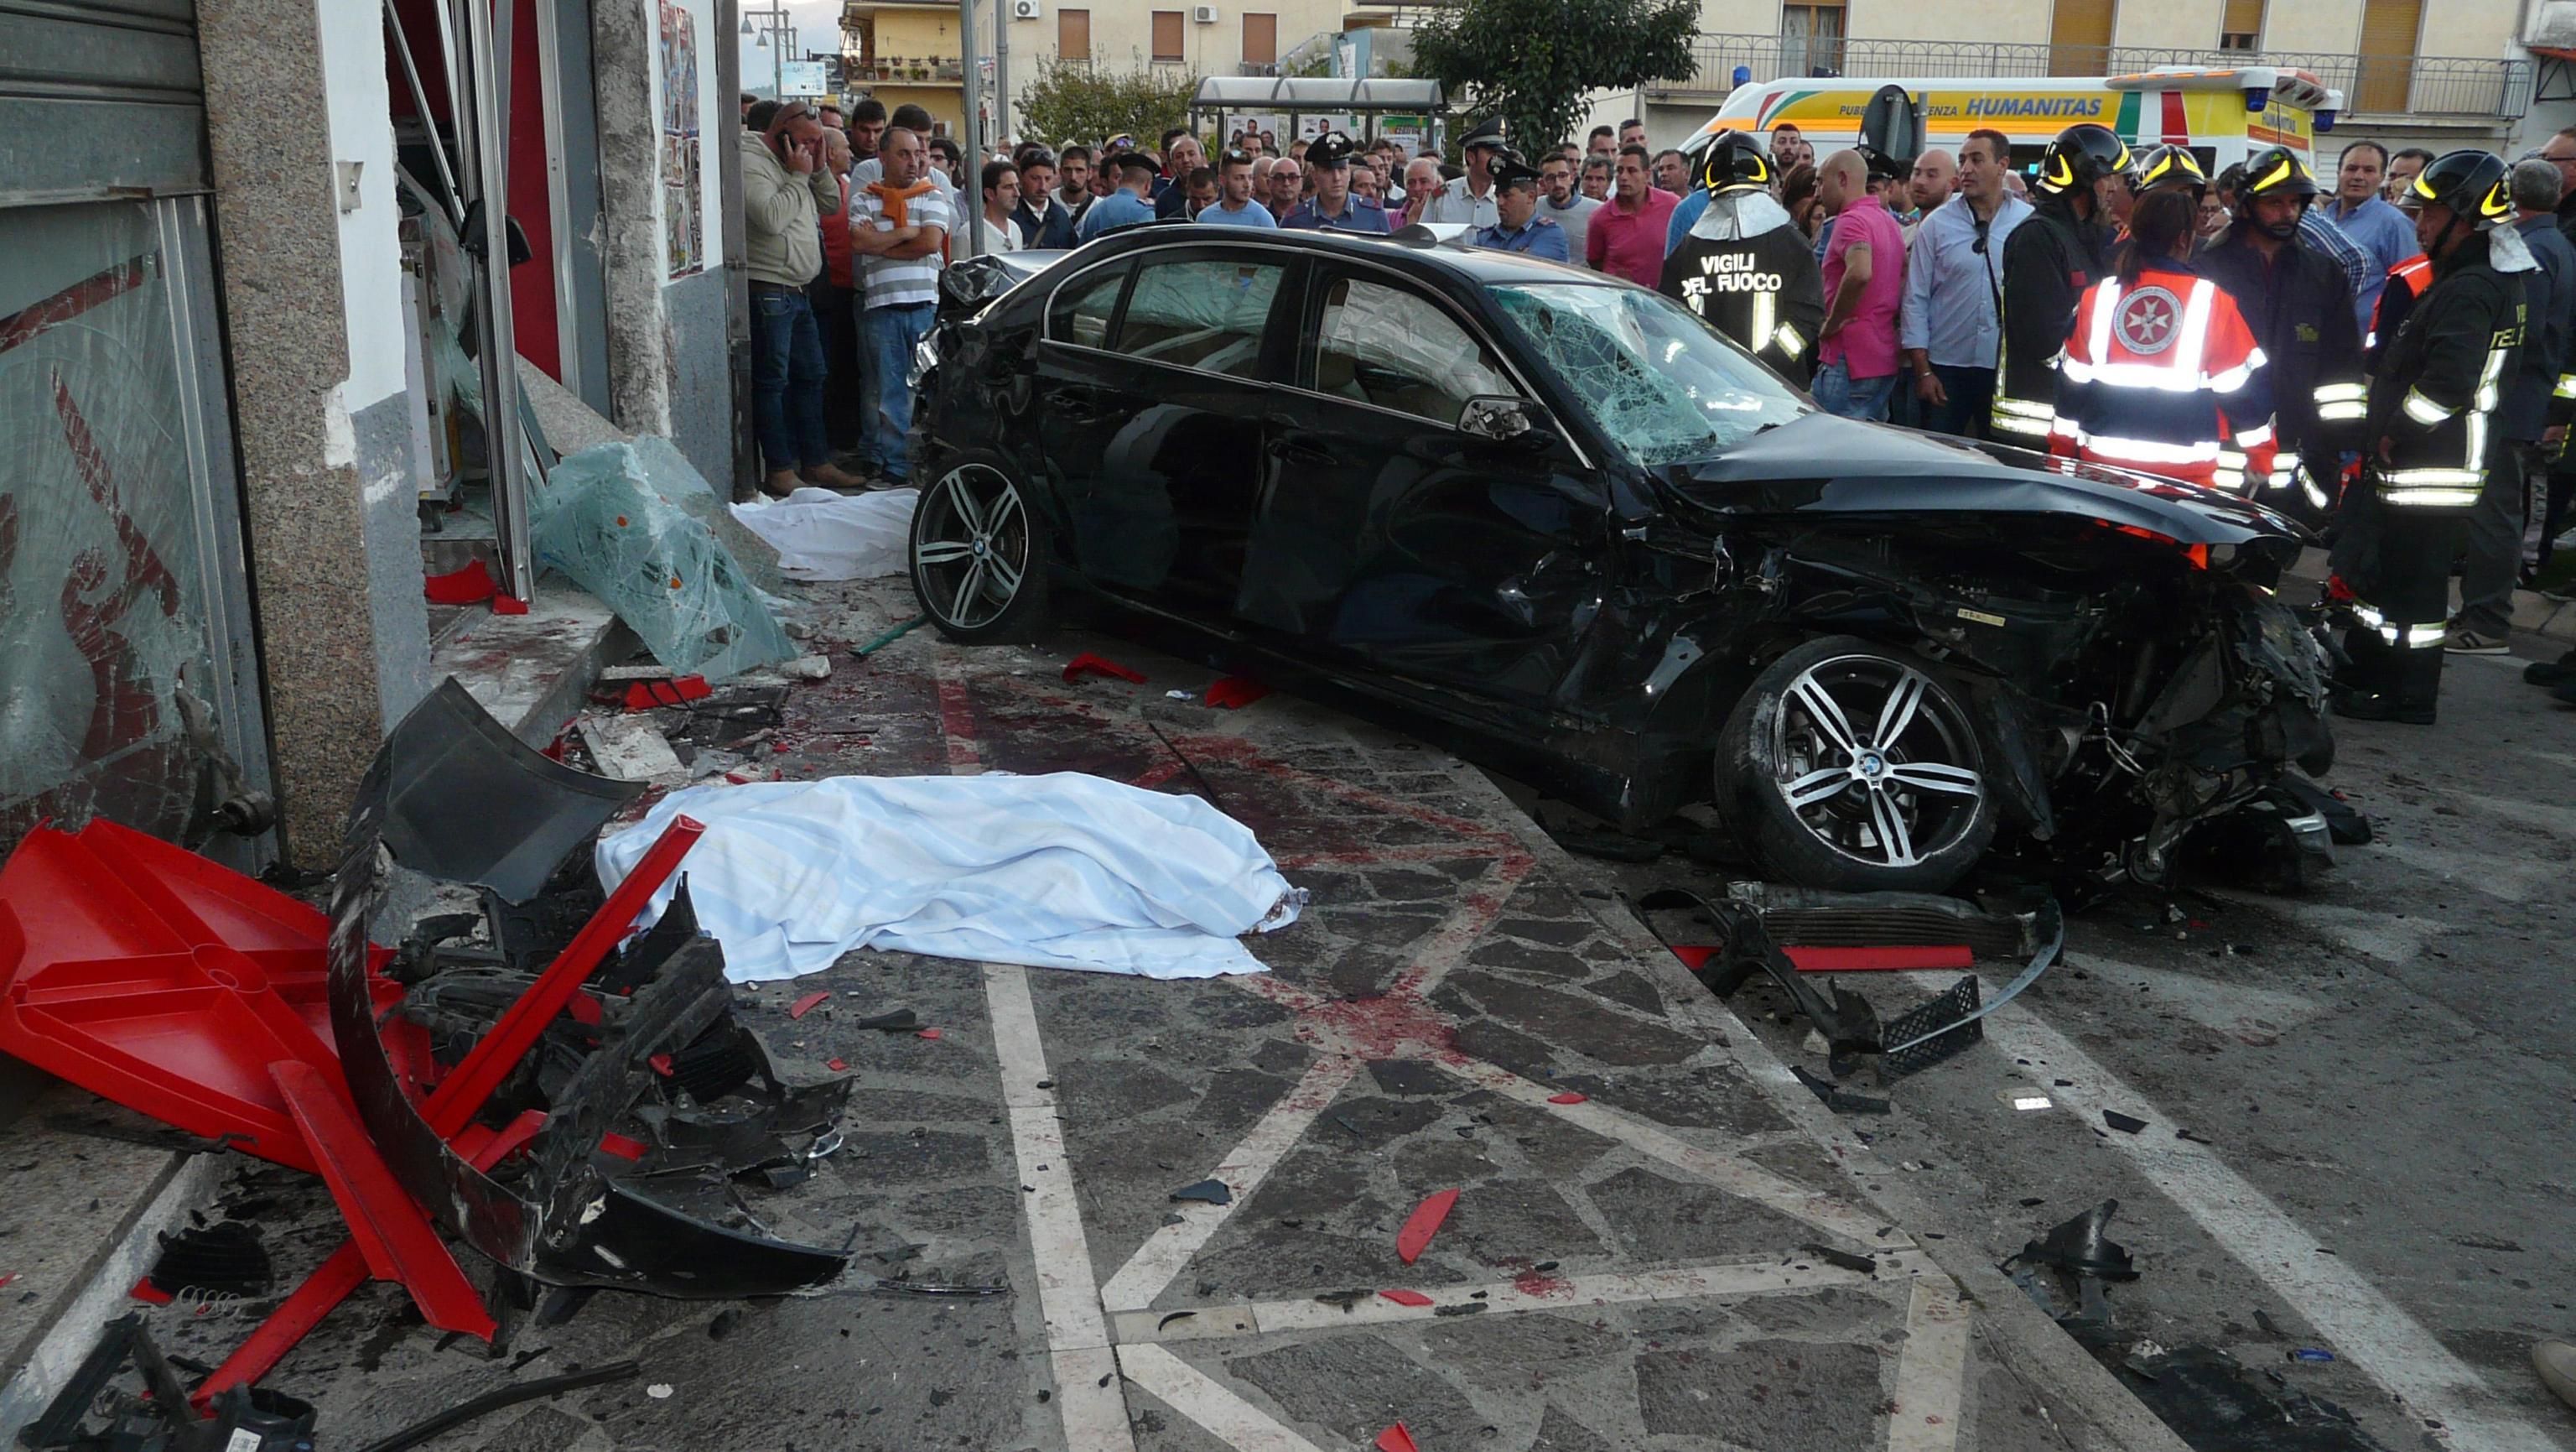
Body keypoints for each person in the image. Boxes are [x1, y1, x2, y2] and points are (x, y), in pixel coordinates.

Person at [2334, 150, 2528, 723]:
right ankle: (2374, 677)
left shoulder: (2470, 288)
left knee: (2412, 592)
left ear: (2465, 217)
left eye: (2431, 214)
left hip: (2432, 462)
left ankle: (2404, 694)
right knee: (2392, 582)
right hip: (2435, 461)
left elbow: (2448, 382)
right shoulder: (2479, 278)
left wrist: (2396, 430)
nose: (2418, 225)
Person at [2048, 189, 2276, 490]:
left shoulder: (2099, 297)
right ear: (2184, 239)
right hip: (2184, 484)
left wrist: (2060, 456)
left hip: (2103, 479)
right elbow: (2243, 392)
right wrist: (2261, 458)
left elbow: (2071, 386)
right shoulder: (2211, 301)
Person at [2194, 145, 2367, 516]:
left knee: (2277, 546)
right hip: (2219, 439)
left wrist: (2342, 439)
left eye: (2294, 203)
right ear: (2245, 206)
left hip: (2296, 442)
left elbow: (2341, 364)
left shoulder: (2322, 273)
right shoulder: (2207, 267)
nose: (2287, 212)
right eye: (2274, 202)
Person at [2451, 158, 2575, 652]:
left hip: (2507, 401)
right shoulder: (2559, 245)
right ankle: (2481, 613)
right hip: (2524, 401)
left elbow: (2519, 334)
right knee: (2498, 512)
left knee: (2494, 514)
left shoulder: (2531, 251)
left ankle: (2486, 621)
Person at [740, 101, 865, 496]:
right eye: (808, 142)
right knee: (773, 382)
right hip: (769, 290)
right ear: (782, 135)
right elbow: (770, 218)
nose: (813, 149)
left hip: (800, 291)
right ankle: (779, 467)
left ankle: (816, 461)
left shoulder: (807, 163)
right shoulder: (751, 160)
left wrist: (821, 168)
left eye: (820, 143)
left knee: (813, 375)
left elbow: (831, 204)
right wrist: (798, 176)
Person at [1992, 123, 2128, 441]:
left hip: (2068, 412)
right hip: (2034, 419)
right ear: (2083, 178)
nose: (2114, 188)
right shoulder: (2037, 238)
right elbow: (2044, 340)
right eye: (2108, 177)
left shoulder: (2086, 238)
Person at [1660, 131, 1824, 386]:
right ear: (1765, 171)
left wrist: (1694, 368)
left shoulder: (1688, 249)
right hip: (1778, 388)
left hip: (1707, 386)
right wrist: (1766, 365)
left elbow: (1668, 319)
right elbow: (1807, 317)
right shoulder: (1792, 242)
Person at [1902, 128, 2031, 439]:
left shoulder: (2027, 222)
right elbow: (1915, 298)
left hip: (2002, 368)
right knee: (1938, 456)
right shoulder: (1937, 224)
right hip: (1946, 369)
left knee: (2000, 459)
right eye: (1962, 160)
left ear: (2002, 165)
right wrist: (1923, 371)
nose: (1966, 169)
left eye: (1977, 159)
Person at [846, 127, 950, 487]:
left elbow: (930, 241)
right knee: (890, 392)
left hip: (922, 305)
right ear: (883, 158)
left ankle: (928, 463)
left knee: (928, 390)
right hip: (882, 308)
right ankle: (895, 467)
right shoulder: (863, 198)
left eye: (917, 154)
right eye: (904, 154)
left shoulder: (932, 196)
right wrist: (906, 232)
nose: (914, 161)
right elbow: (859, 240)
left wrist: (884, 244)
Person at [1810, 148, 1906, 420]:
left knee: (1830, 450)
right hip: (1882, 355)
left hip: (1848, 358)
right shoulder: (1887, 221)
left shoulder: (1850, 221)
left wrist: (1832, 322)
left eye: (1821, 181)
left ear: (1842, 179)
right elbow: (1904, 272)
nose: (1817, 191)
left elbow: (1860, 272)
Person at [809, 129, 866, 456]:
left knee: (849, 368)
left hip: (851, 287)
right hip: (828, 291)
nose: (849, 154)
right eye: (845, 148)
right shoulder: (819, 193)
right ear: (830, 153)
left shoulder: (847, 188)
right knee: (830, 369)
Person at [2325, 142, 2420, 336]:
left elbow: (2409, 289)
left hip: (2360, 343)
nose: (2358, 177)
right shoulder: (2324, 218)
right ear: (2339, 173)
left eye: (2369, 170)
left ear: (2382, 178)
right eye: (2351, 168)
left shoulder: (2394, 224)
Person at [1587, 143, 1677, 286]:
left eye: (1632, 171)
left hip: (1664, 301)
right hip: (1619, 301)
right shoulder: (1600, 218)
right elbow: (1595, 262)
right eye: (1619, 171)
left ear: (1647, 174)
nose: (1623, 177)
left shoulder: (1671, 205)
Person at [1281, 132, 1389, 233]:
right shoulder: (1295, 219)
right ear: (1314, 175)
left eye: (1342, 169)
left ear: (1349, 171)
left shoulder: (1373, 213)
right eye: (1328, 171)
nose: (1336, 177)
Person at [1472, 149, 1569, 261]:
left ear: (1530, 197)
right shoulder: (1486, 237)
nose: (1500, 202)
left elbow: (1522, 272)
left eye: (1507, 196)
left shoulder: (1550, 234)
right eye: (1497, 196)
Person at [1424, 118, 1507, 228]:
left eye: (1500, 154)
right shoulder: (1444, 196)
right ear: (1471, 157)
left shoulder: (1507, 199)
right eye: (1491, 154)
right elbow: (1424, 239)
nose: (1497, 160)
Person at [1075, 150, 1160, 242]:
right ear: (1148, 185)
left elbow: (1082, 250)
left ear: (1120, 180)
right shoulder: (1144, 213)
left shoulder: (1096, 210)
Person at [1536, 152, 1601, 255]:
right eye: (1550, 178)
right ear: (1542, 183)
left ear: (1572, 178)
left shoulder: (1596, 211)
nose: (1557, 183)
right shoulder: (1535, 208)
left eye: (1563, 176)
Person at [1195, 148, 1279, 228]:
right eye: (1239, 178)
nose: (1247, 185)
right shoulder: (1205, 219)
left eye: (1250, 178)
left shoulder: (1262, 219)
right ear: (1222, 180)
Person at [1011, 147, 1075, 247]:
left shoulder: (1061, 217)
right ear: (1021, 177)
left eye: (1048, 179)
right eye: (1035, 179)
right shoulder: (1009, 215)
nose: (1042, 186)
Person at [969, 159, 1023, 257]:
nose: (1017, 194)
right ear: (990, 193)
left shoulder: (1015, 228)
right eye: (1008, 187)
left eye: (1017, 186)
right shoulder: (970, 233)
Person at [1155, 133, 1206, 218]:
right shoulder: (1165, 199)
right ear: (1172, 163)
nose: (1186, 160)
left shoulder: (1220, 193)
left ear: (1203, 158)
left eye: (1191, 154)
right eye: (1179, 156)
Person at [1909, 148, 1956, 221]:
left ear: (1952, 183)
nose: (1920, 181)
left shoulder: (1959, 230)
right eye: (1917, 173)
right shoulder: (1902, 231)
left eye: (1931, 175)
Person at [1400, 156, 1443, 226]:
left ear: (1437, 184)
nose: (1417, 188)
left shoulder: (1446, 217)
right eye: (1411, 183)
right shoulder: (1391, 218)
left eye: (1424, 182)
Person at [849, 98, 887, 166]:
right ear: (852, 127)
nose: (871, 138)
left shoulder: (890, 160)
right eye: (865, 130)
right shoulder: (836, 158)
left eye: (877, 131)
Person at [1266, 154, 1306, 220]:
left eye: (1292, 177)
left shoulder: (1312, 217)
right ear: (1268, 183)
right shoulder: (1261, 217)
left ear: (1301, 182)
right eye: (1279, 178)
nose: (1286, 183)